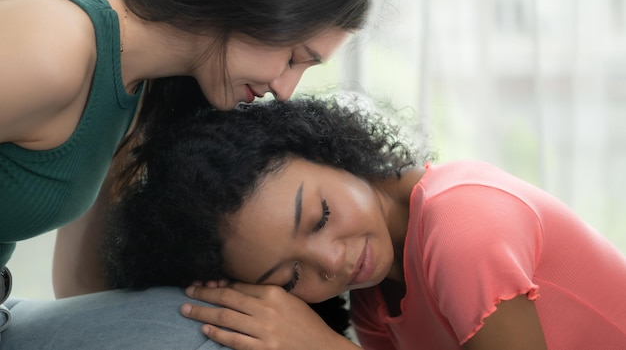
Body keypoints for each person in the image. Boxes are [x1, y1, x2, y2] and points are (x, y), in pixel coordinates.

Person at [0, 0, 376, 338]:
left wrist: (226, 293)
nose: (285, 90)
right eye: (293, 58)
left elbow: (80, 288)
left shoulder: (143, 95)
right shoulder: (57, 48)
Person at [89, 94, 625, 350]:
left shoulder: (461, 223)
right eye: (290, 277)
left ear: (327, 151)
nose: (331, 260)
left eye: (319, 216)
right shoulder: (375, 295)